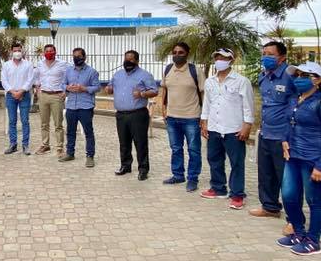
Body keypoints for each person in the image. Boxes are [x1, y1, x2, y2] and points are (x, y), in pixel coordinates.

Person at [277, 61, 321, 256]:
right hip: (293, 156)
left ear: (318, 80)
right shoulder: (295, 99)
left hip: (313, 159)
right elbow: (289, 123)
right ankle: (298, 232)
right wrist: (284, 140)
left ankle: (313, 240)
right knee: (289, 196)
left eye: (305, 75)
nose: (299, 79)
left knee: (314, 200)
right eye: (297, 75)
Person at [200, 48, 254, 209]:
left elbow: (248, 105)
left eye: (223, 58)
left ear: (231, 60)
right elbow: (207, 103)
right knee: (214, 159)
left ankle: (237, 194)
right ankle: (218, 188)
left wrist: (247, 125)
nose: (220, 61)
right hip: (214, 127)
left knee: (236, 162)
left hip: (233, 128)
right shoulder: (210, 81)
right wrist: (204, 121)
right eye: (217, 58)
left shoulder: (241, 81)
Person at [251, 40, 297, 219]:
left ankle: (294, 218)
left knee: (286, 178)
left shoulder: (290, 76)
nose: (266, 57)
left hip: (283, 135)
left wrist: (289, 134)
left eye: (270, 54)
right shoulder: (263, 76)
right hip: (266, 133)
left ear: (282, 57)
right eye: (264, 54)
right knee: (266, 173)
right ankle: (270, 207)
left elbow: (297, 105)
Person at [104, 50, 157, 180]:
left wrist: (142, 94)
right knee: (124, 142)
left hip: (138, 114)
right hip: (121, 115)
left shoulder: (145, 75)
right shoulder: (118, 74)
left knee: (140, 143)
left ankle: (143, 169)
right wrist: (108, 89)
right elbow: (110, 87)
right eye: (126, 59)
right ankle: (125, 165)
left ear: (137, 61)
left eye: (131, 59)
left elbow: (154, 91)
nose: (128, 61)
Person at [160, 41, 203, 191]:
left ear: (187, 54)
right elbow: (164, 90)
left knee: (194, 150)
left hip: (192, 117)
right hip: (172, 118)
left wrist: (204, 117)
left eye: (180, 53)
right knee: (176, 148)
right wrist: (163, 109)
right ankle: (178, 175)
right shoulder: (168, 69)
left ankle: (193, 179)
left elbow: (203, 93)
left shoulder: (195, 71)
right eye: (174, 53)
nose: (177, 55)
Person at [61, 47, 100, 167]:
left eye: (79, 56)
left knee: (88, 132)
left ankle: (90, 156)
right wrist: (68, 87)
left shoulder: (92, 72)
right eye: (74, 56)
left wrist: (84, 88)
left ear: (84, 57)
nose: (76, 58)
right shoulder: (68, 71)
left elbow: (97, 87)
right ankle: (70, 153)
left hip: (85, 106)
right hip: (71, 106)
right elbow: (63, 84)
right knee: (70, 131)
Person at [2, 42, 36, 155]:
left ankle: (25, 145)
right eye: (15, 50)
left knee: (25, 120)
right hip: (11, 95)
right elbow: (4, 81)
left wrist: (21, 91)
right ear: (11, 51)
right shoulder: (6, 65)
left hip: (24, 95)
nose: (17, 52)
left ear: (22, 51)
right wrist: (13, 92)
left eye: (19, 50)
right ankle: (13, 144)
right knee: (12, 121)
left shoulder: (28, 65)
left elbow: (30, 80)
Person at [35, 44, 68, 157]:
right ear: (44, 53)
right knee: (44, 123)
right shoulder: (40, 64)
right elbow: (37, 77)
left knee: (58, 124)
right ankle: (45, 145)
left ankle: (60, 148)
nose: (49, 53)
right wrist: (37, 89)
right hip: (43, 95)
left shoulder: (63, 64)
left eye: (51, 51)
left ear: (55, 52)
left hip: (56, 96)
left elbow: (70, 76)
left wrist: (65, 91)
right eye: (47, 51)